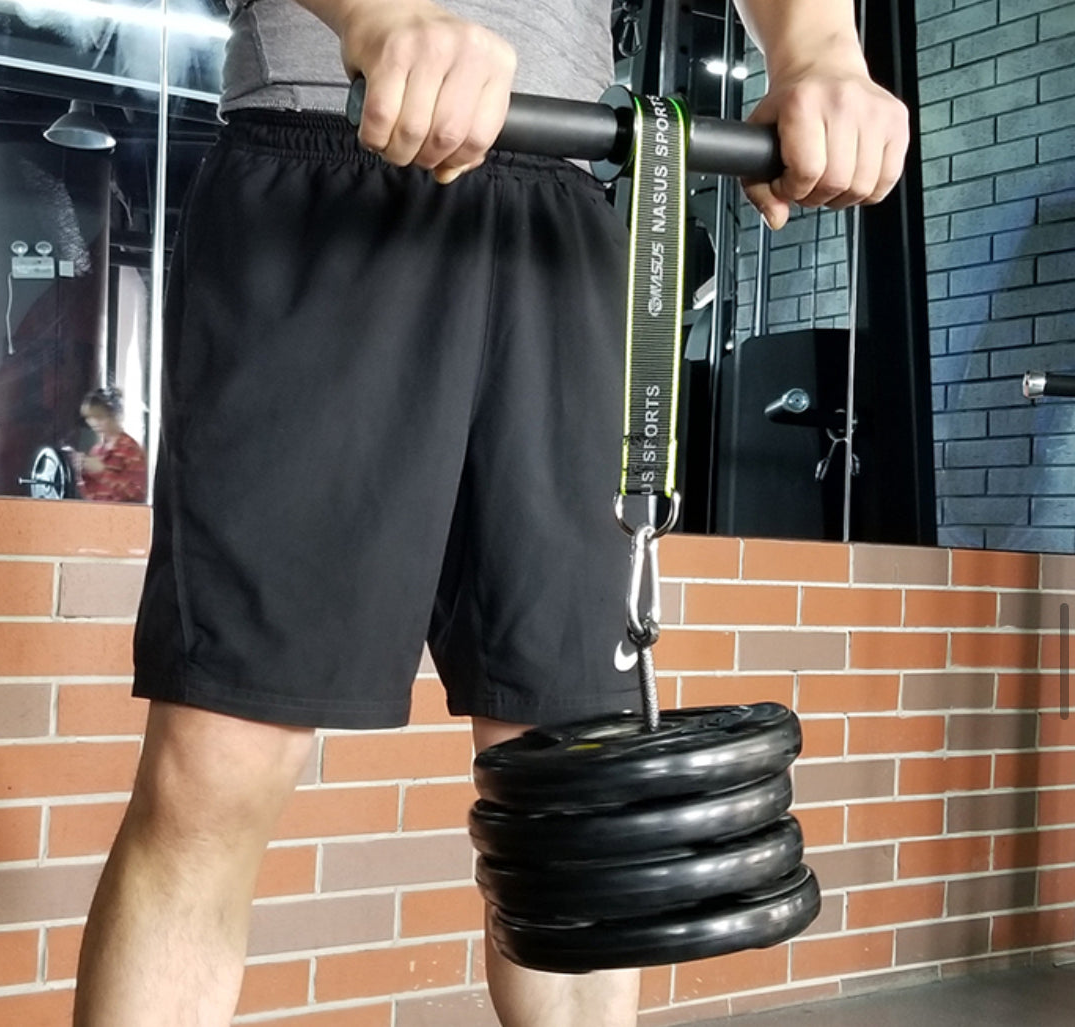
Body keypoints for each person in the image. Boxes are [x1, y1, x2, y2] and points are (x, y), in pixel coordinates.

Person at [72, 1, 909, 1025]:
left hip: (566, 198)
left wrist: (817, 50)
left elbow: (810, 38)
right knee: (218, 769)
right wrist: (378, 15)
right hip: (327, 148)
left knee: (581, 795)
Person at [65, 387, 147, 504]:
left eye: (100, 417)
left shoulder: (130, 449)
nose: (94, 423)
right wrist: (82, 473)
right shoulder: (96, 450)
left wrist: (102, 471)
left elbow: (137, 494)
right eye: (89, 418)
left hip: (123, 515)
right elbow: (91, 497)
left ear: (114, 416)